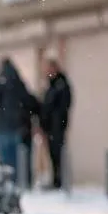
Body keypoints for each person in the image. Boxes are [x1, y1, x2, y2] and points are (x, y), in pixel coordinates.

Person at [0, 57, 39, 186]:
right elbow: (29, 101)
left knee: (5, 159)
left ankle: (7, 182)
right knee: (17, 159)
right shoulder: (18, 82)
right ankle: (17, 181)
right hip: (16, 127)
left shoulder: (1, 81)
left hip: (3, 126)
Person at [39, 58, 73, 189]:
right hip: (50, 126)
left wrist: (57, 120)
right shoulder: (51, 85)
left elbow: (62, 105)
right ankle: (56, 179)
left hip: (57, 125)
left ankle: (60, 180)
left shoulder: (61, 84)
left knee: (58, 153)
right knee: (52, 154)